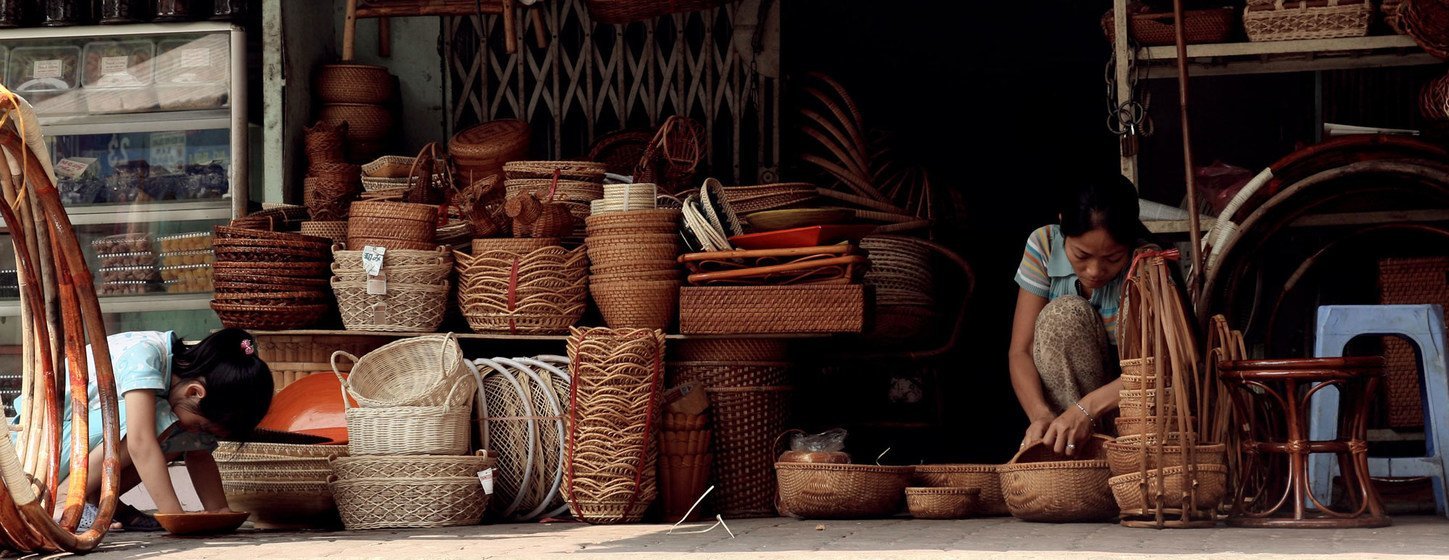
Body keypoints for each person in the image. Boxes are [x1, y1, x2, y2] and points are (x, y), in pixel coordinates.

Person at [14, 328, 274, 531]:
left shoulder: (178, 388)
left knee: (180, 436)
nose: (200, 433)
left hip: (75, 447)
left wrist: (219, 511)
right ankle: (63, 502)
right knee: (158, 423)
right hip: (42, 449)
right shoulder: (146, 355)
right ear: (195, 392)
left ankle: (103, 502)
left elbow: (199, 453)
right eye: (204, 425)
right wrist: (174, 516)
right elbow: (139, 442)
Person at [1008, 176, 1154, 457]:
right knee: (1063, 316)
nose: (1095, 271)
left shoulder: (1146, 262)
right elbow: (1021, 351)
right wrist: (1040, 415)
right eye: (1082, 255)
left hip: (1130, 414)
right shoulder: (1045, 245)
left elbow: (1163, 366)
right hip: (1064, 419)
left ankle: (1118, 454)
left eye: (1113, 258)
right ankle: (1072, 452)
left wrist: (1087, 409)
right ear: (1063, 224)